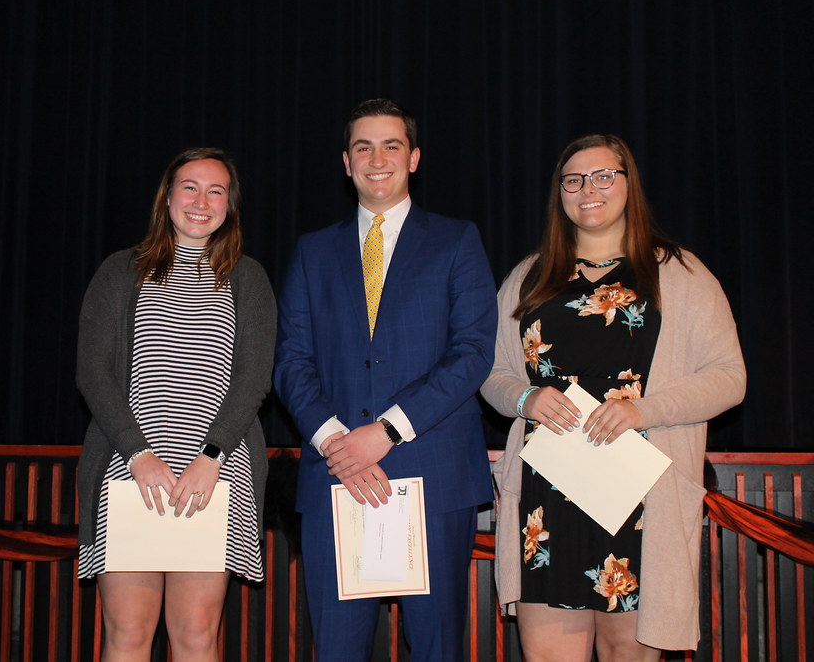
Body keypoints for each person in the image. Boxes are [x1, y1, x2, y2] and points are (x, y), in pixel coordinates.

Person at [482, 134, 745, 660]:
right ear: (561, 192)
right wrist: (525, 398)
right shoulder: (529, 277)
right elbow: (490, 372)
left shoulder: (680, 274)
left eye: (604, 176)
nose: (589, 190)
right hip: (547, 501)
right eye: (574, 179)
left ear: (629, 184)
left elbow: (729, 377)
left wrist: (642, 410)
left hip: (643, 498)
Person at [274, 98, 497, 661]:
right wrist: (335, 442)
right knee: (338, 650)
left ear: (414, 158)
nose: (378, 158)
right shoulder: (311, 252)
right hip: (336, 476)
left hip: (435, 475)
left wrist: (387, 431)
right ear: (346, 163)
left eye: (391, 145)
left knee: (436, 648)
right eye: (363, 147)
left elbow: (472, 354)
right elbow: (290, 361)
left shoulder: (456, 241)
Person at [75, 147, 276, 661]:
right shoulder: (121, 271)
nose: (201, 200)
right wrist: (136, 455)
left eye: (217, 190)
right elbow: (92, 373)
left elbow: (255, 377)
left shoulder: (247, 277)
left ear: (230, 205)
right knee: (127, 635)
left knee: (195, 636)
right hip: (129, 473)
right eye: (190, 186)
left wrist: (212, 458)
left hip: (215, 475)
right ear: (167, 198)